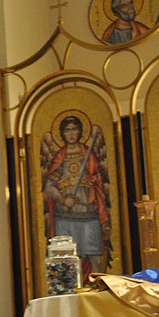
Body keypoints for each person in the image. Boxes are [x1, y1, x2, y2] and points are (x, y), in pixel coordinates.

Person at [41, 112, 112, 277]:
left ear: (80, 132)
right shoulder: (60, 157)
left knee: (95, 256)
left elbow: (99, 181)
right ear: (62, 133)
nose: (71, 133)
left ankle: (97, 293)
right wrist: (63, 199)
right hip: (66, 216)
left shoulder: (88, 155)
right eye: (67, 130)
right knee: (66, 262)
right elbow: (49, 185)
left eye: (74, 129)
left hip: (88, 213)